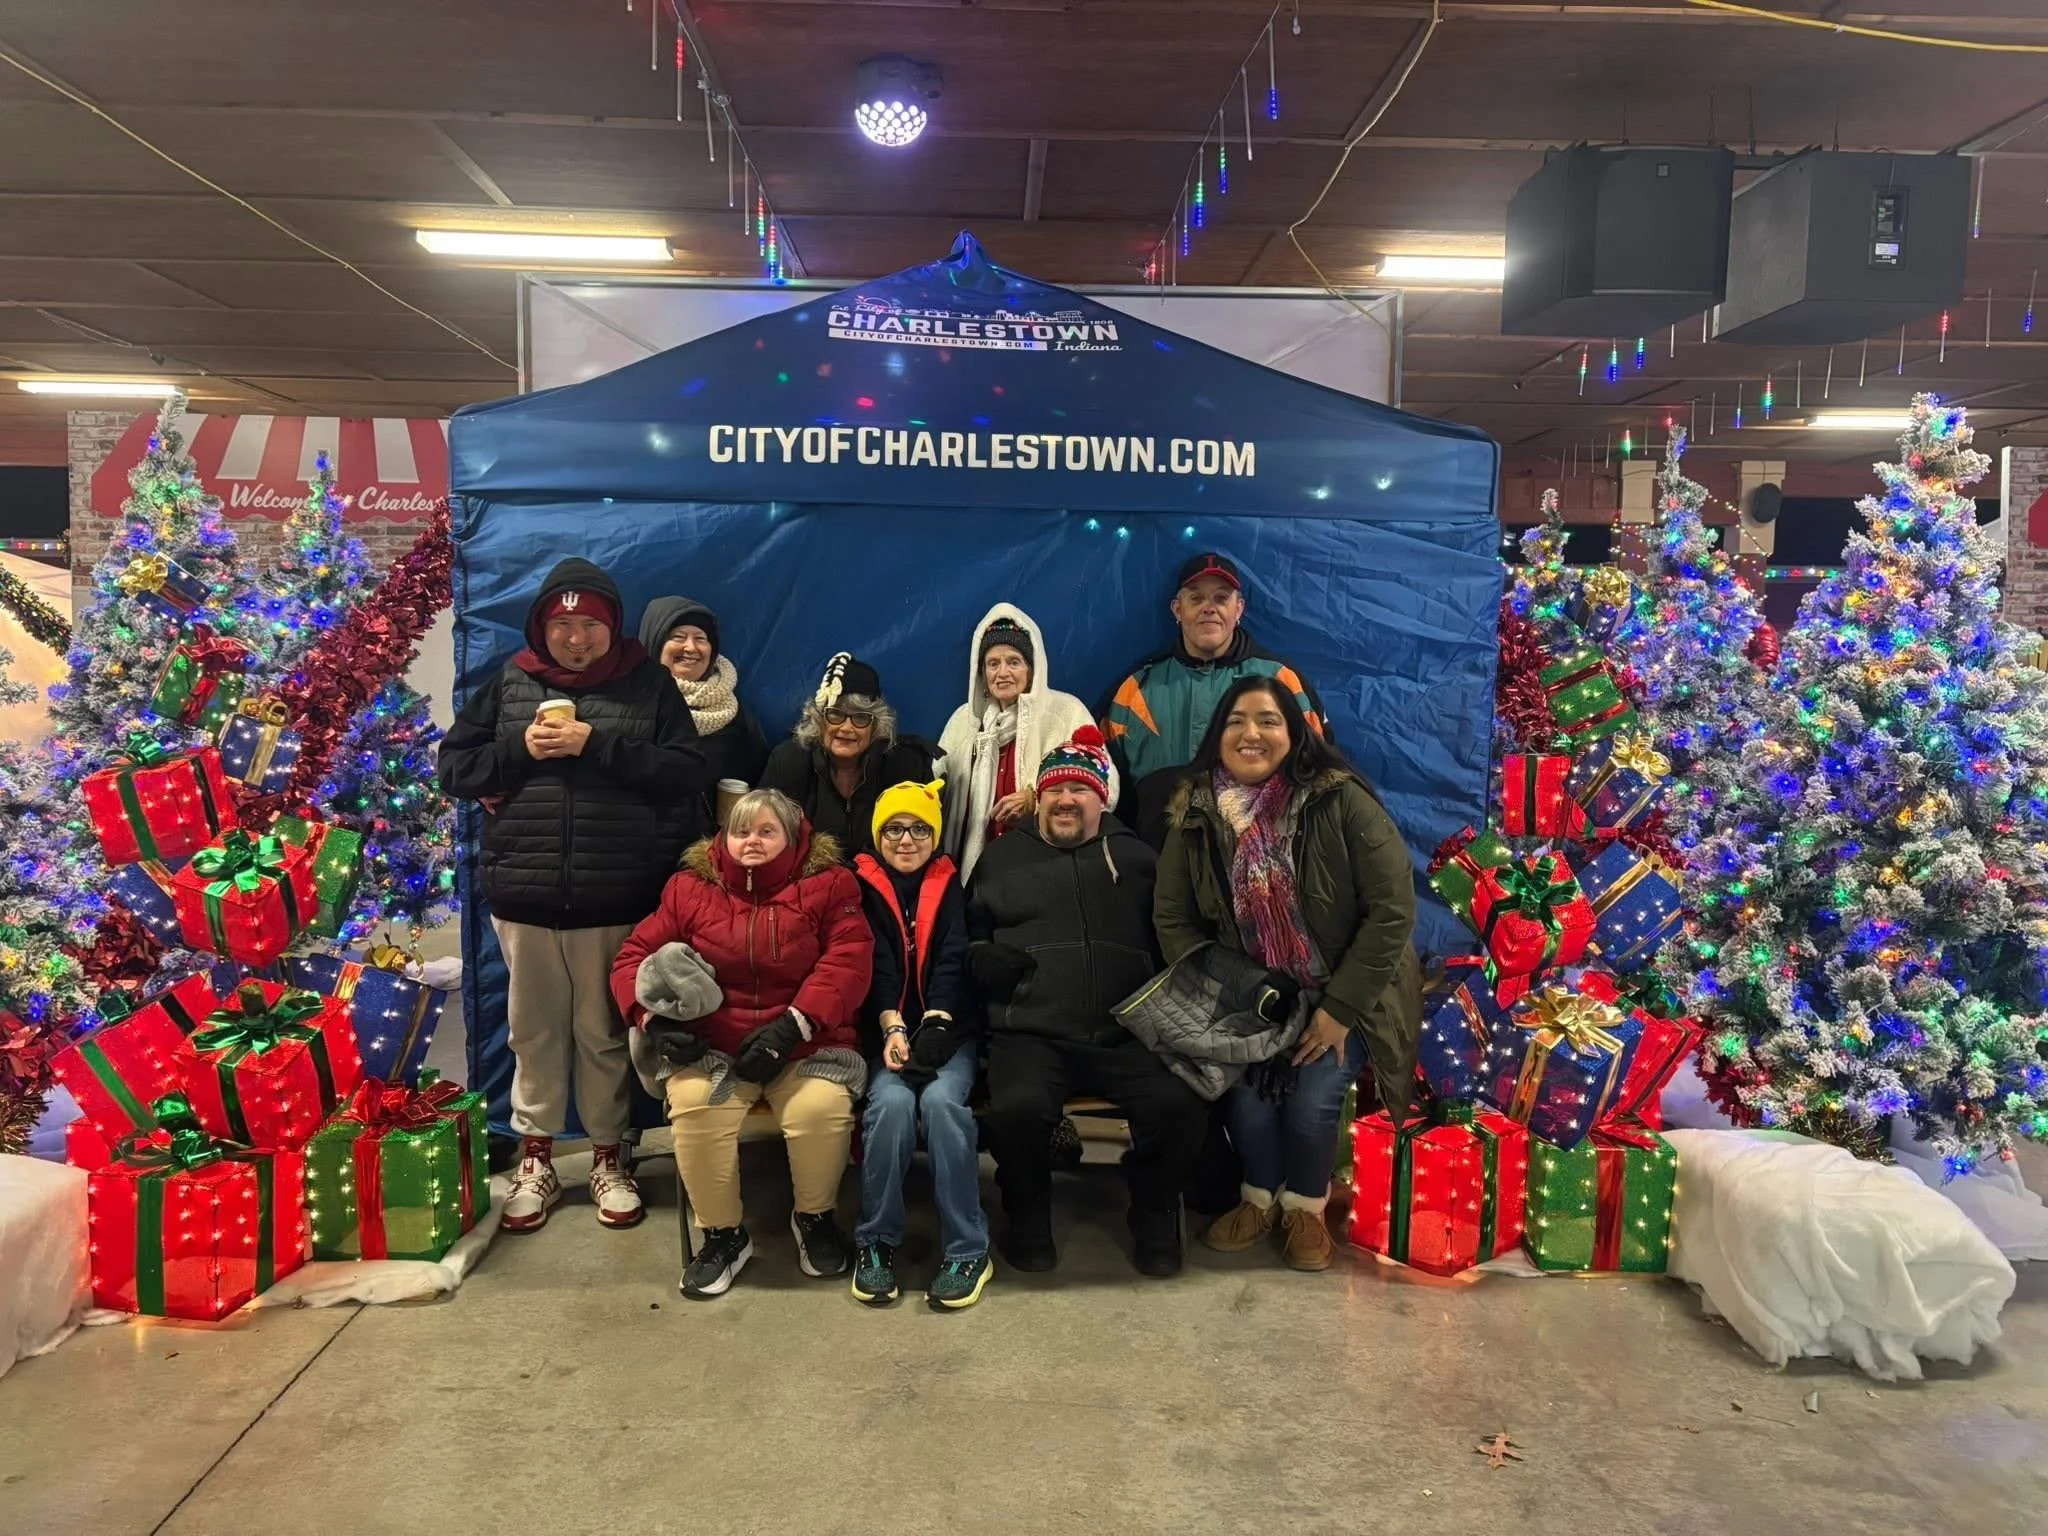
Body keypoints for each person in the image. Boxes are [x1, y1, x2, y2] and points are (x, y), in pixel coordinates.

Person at [438, 557, 711, 1235]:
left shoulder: (647, 684)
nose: (577, 637)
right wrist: (521, 750)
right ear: (542, 627)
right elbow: (455, 768)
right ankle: (535, 1159)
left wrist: (598, 743)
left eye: (589, 623)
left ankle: (608, 1157)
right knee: (531, 1034)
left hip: (617, 897)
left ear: (610, 625)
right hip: (525, 899)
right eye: (564, 625)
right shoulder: (513, 680)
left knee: (603, 1034)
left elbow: (684, 772)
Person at [1153, 677, 1421, 1271]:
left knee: (1310, 1104)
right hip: (1248, 996)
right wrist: (1232, 990)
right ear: (1217, 736)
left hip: (1344, 990)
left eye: (1268, 720)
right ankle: (1259, 1199)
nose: (1252, 734)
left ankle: (1304, 1206)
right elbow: (1173, 918)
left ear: (1294, 733)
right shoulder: (1194, 813)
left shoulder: (1339, 800)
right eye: (1236, 721)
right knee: (1245, 1103)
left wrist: (1339, 1010)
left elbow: (1393, 910)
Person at [610, 788, 873, 1300]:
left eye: (766, 831)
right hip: (714, 1050)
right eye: (741, 830)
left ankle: (814, 1219)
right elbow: (632, 957)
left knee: (821, 1108)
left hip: (804, 1044)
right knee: (692, 1105)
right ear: (724, 839)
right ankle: (723, 1236)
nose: (752, 841)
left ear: (794, 839)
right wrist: (654, 1022)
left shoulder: (832, 885)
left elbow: (849, 961)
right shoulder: (687, 889)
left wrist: (793, 1026)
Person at [969, 726, 1209, 1278]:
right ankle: (1027, 1215)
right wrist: (982, 956)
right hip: (1032, 1031)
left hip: (1129, 1032)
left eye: (1080, 790)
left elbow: (1177, 936)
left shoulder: (1142, 859)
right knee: (1017, 1110)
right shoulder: (1001, 859)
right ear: (1040, 798)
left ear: (1103, 799)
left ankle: (1151, 1208)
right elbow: (968, 933)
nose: (1066, 799)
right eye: (1054, 789)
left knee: (1181, 1105)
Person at [849, 779, 991, 1311]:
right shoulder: (857, 886)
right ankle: (876, 1242)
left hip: (948, 1030)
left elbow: (956, 955)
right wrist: (892, 1028)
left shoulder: (953, 883)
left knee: (941, 1105)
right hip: (890, 1032)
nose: (905, 840)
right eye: (894, 829)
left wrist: (937, 1022)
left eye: (917, 829)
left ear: (933, 835)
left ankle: (967, 1247)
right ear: (877, 835)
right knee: (888, 1105)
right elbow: (871, 962)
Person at [1102, 552, 1329, 850]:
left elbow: (1320, 774)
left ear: (1239, 609)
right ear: (1177, 609)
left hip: (1262, 868)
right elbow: (1105, 788)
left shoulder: (1282, 681)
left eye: (1221, 599)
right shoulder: (1135, 690)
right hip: (1157, 868)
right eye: (1196, 599)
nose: (1209, 608)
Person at [936, 604, 1116, 884]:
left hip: (1045, 870)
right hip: (973, 874)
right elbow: (937, 785)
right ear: (981, 673)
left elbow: (1107, 789)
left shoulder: (1065, 711)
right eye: (993, 663)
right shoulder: (964, 721)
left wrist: (1037, 801)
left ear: (1033, 669)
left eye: (1014, 661)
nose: (1002, 672)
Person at [760, 652, 936, 859]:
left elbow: (927, 846)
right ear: (819, 719)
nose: (846, 727)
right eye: (835, 714)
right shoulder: (787, 761)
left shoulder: (908, 766)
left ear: (877, 725)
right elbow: (762, 838)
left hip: (884, 885)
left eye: (861, 718)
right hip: (809, 886)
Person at [638, 595, 770, 839]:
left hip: (709, 854)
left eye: (701, 639)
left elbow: (760, 781)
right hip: (638, 848)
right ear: (654, 644)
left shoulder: (736, 716)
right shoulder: (629, 706)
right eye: (678, 637)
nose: (691, 647)